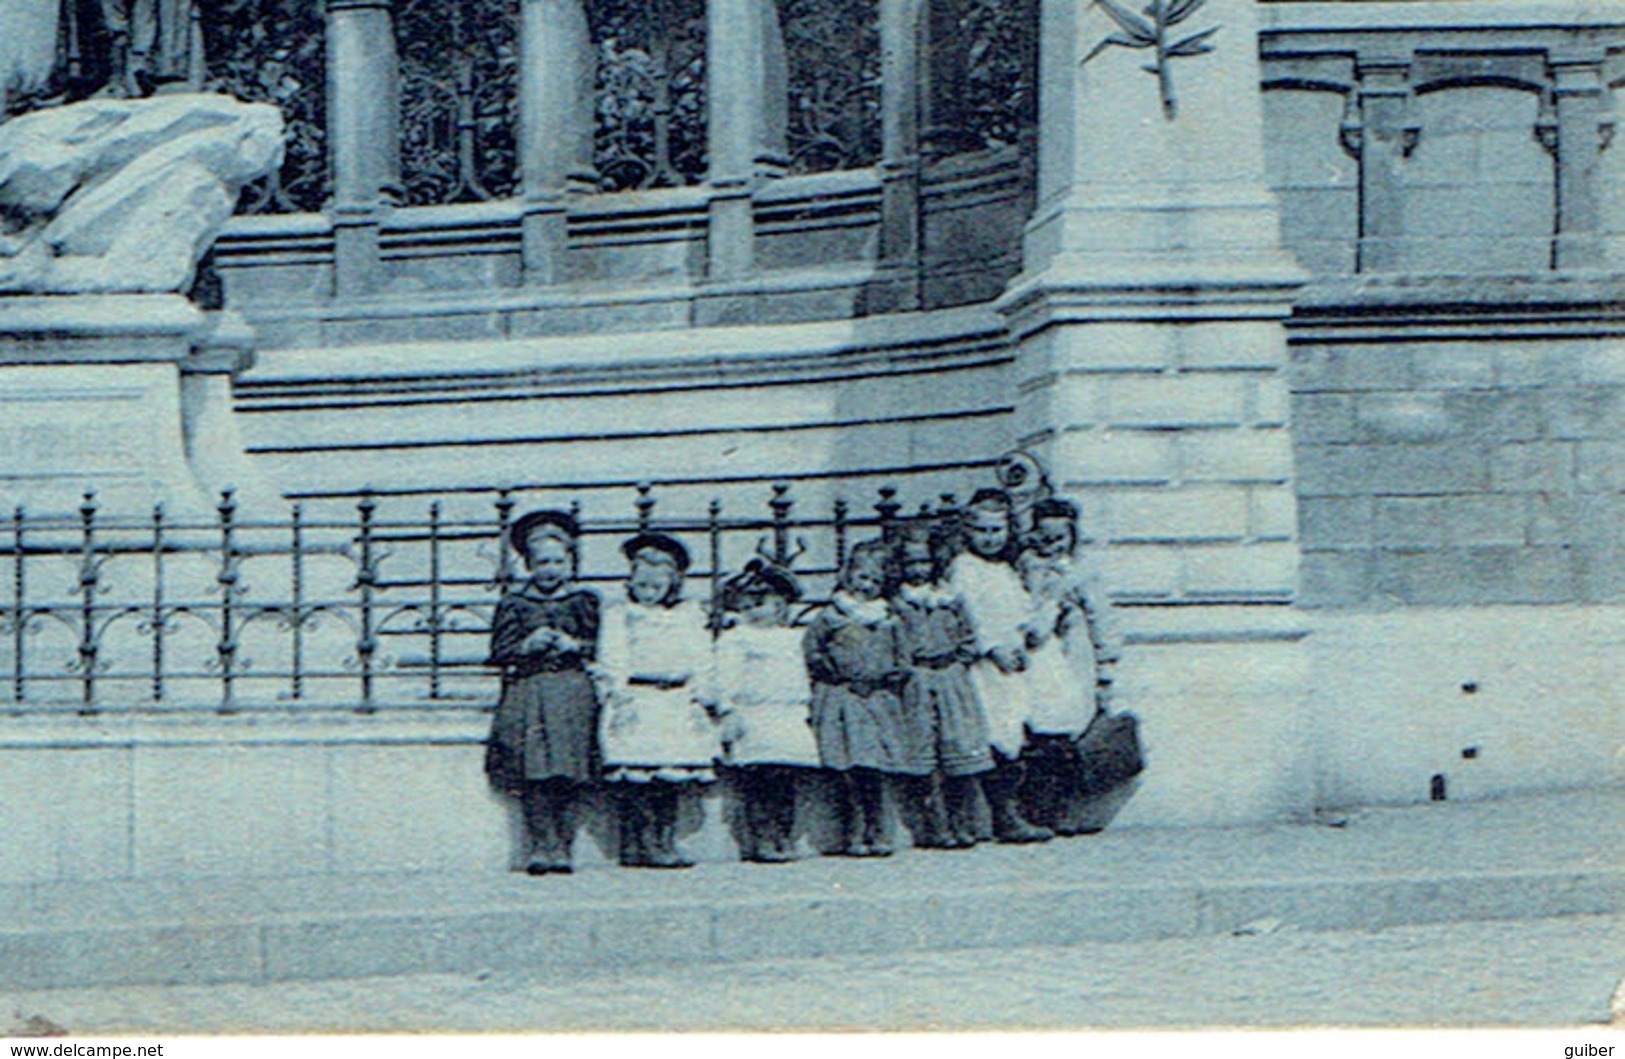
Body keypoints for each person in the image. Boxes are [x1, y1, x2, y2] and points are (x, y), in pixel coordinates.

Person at [484, 510, 601, 876]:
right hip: (529, 691)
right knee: (534, 772)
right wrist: (525, 645)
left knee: (567, 772)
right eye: (542, 562)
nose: (550, 570)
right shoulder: (514, 603)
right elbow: (497, 654)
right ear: (528, 564)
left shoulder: (584, 601)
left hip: (571, 691)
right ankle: (540, 845)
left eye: (558, 561)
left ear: (570, 561)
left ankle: (563, 847)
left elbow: (603, 647)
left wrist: (576, 645)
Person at [596, 532, 719, 869]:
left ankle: (665, 839)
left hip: (675, 702)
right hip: (639, 699)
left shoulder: (687, 616)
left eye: (657, 585)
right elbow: (613, 656)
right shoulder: (621, 615)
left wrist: (701, 695)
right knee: (638, 778)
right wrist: (618, 696)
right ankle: (639, 842)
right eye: (642, 584)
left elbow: (701, 658)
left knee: (670, 778)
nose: (648, 592)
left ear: (672, 584)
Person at [803, 539, 930, 857]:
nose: (867, 587)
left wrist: (891, 676)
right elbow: (812, 651)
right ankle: (853, 831)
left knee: (873, 768)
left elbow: (903, 657)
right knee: (847, 767)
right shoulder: (832, 617)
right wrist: (833, 672)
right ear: (847, 576)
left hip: (877, 700)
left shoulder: (887, 619)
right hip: (843, 698)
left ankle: (877, 830)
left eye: (875, 581)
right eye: (861, 578)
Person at [946, 488, 1053, 844]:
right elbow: (968, 614)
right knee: (988, 734)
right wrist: (991, 648)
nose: (990, 539)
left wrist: (1026, 636)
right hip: (985, 665)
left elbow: (1019, 610)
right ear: (968, 531)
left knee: (1013, 732)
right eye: (982, 530)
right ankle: (987, 816)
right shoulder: (965, 568)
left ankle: (1010, 813)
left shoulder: (1006, 569)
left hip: (1014, 662)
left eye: (997, 530)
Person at [1017, 496, 1125, 834]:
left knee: (1072, 730)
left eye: (1059, 538)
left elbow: (1101, 618)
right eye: (1043, 537)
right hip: (1038, 657)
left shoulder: (1082, 572)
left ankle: (1068, 808)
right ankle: (1038, 809)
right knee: (1038, 732)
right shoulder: (1026, 566)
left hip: (1074, 656)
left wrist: (1106, 667)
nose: (1051, 546)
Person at [892, 519, 994, 849]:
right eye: (910, 563)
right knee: (922, 753)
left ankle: (962, 821)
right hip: (917, 679)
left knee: (960, 749)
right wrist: (907, 669)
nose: (917, 569)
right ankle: (934, 825)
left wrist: (958, 662)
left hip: (951, 677)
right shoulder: (897, 603)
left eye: (923, 561)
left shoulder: (950, 599)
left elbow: (969, 636)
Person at [714, 559, 820, 864]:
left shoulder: (792, 639)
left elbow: (803, 676)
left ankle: (783, 834)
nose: (754, 612)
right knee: (759, 780)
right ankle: (761, 837)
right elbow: (726, 676)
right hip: (755, 715)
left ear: (781, 606)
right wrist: (728, 709)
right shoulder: (737, 638)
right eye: (746, 605)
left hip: (787, 716)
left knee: (786, 779)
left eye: (762, 604)